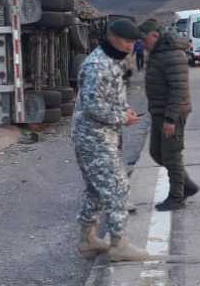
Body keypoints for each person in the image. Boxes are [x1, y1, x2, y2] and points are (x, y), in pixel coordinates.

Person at [72, 19, 151, 261]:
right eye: (126, 41)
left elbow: (110, 96)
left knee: (96, 190)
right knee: (118, 188)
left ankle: (88, 239)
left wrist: (124, 110)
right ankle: (118, 244)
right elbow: (93, 105)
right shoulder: (99, 65)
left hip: (99, 135)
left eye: (133, 42)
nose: (130, 47)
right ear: (112, 37)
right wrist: (121, 117)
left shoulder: (111, 61)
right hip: (94, 138)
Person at [138, 19, 199, 211]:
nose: (142, 44)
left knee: (171, 155)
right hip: (159, 112)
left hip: (172, 113)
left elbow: (178, 89)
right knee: (156, 153)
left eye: (144, 40)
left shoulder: (172, 55)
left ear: (155, 36)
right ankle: (186, 186)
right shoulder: (157, 53)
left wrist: (171, 118)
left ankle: (176, 197)